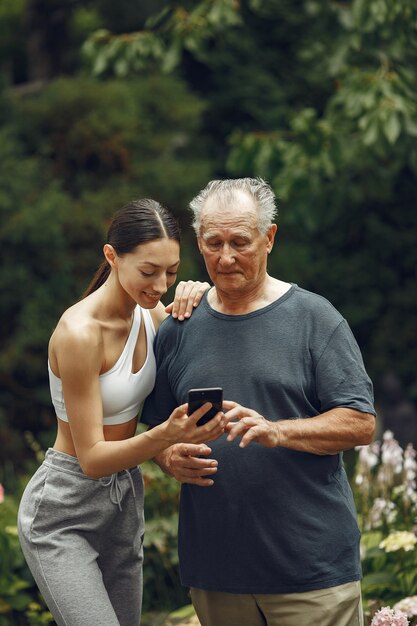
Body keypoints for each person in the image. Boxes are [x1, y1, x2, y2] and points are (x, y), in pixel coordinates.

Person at [141, 178, 376, 626]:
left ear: (268, 238)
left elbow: (360, 423)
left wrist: (277, 430)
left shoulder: (315, 318)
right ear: (199, 243)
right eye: (214, 243)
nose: (226, 256)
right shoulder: (177, 328)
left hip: (311, 572)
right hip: (215, 573)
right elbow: (153, 429)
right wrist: (169, 455)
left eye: (239, 242)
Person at [17, 198, 226, 626]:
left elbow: (200, 332)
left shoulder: (151, 315)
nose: (161, 284)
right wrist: (166, 436)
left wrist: (199, 294)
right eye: (148, 272)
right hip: (64, 507)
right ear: (111, 256)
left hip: (124, 499)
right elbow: (92, 458)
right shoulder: (79, 334)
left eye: (171, 271)